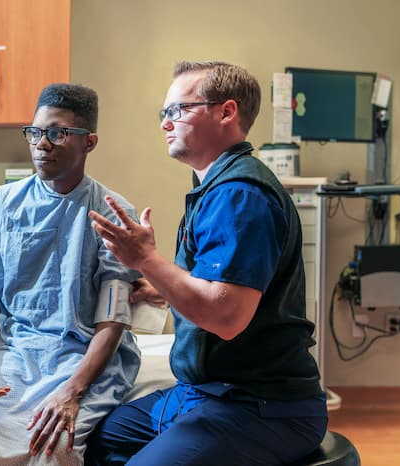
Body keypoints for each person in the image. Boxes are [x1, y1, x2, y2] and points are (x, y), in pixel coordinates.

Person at [85, 61, 328, 465]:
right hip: (205, 392)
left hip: (261, 405)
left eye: (178, 110)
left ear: (226, 112)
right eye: (163, 113)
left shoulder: (239, 195)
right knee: (102, 442)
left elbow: (227, 316)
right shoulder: (214, 187)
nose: (166, 123)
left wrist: (145, 259)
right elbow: (219, 283)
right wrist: (161, 289)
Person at [0, 83, 142, 466]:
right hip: (17, 353)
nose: (42, 144)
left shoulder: (111, 214)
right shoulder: (4, 204)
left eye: (57, 133)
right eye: (35, 132)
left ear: (89, 143)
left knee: (51, 444)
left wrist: (73, 391)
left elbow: (112, 320)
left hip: (82, 358)